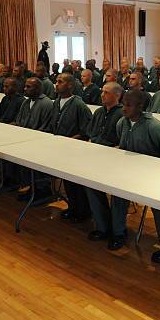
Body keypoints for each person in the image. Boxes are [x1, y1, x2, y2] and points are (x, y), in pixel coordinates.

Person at [116, 90, 160, 260]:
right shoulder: (122, 123)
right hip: (131, 173)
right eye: (123, 104)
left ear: (141, 107)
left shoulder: (154, 127)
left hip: (154, 177)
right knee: (117, 195)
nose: (124, 108)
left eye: (128, 105)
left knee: (159, 208)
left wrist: (159, 172)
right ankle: (117, 232)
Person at [84, 83, 127, 249]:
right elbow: (90, 132)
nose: (102, 95)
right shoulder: (99, 112)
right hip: (96, 156)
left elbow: (121, 142)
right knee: (91, 187)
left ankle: (119, 232)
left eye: (106, 92)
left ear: (117, 96)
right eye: (102, 91)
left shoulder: (123, 114)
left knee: (118, 195)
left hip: (115, 160)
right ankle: (102, 226)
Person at [48, 73, 92, 222]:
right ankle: (73, 207)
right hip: (60, 148)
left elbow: (86, 131)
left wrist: (69, 141)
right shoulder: (56, 102)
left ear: (70, 85)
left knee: (76, 183)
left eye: (60, 82)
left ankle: (83, 211)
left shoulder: (79, 105)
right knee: (67, 181)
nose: (56, 84)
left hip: (74, 150)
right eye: (56, 81)